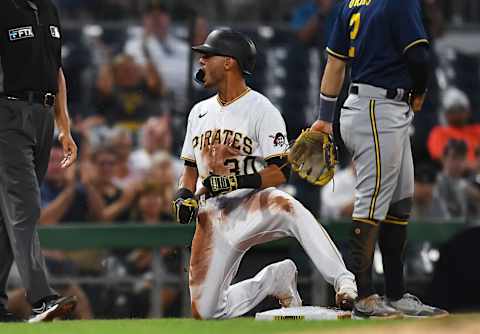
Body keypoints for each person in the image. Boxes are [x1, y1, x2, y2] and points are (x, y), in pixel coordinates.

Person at [173, 28, 357, 320]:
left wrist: (235, 181)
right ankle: (273, 279)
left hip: (252, 202)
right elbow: (189, 171)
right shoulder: (198, 112)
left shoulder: (261, 109)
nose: (201, 61)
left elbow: (280, 172)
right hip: (212, 217)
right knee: (206, 313)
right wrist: (183, 194)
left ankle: (344, 281)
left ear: (229, 62)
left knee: (291, 207)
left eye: (208, 55)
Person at [306, 0, 449, 319]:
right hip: (378, 108)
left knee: (400, 203)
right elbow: (418, 56)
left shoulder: (351, 3)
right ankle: (364, 294)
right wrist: (421, 91)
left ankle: (396, 294)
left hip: (374, 108)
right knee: (371, 203)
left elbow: (334, 63)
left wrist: (325, 118)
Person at [0, 0, 78, 322]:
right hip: (8, 114)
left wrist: (65, 128)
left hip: (45, 117)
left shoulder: (48, 9)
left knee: (8, 219)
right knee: (25, 205)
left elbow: (57, 72)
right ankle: (41, 298)